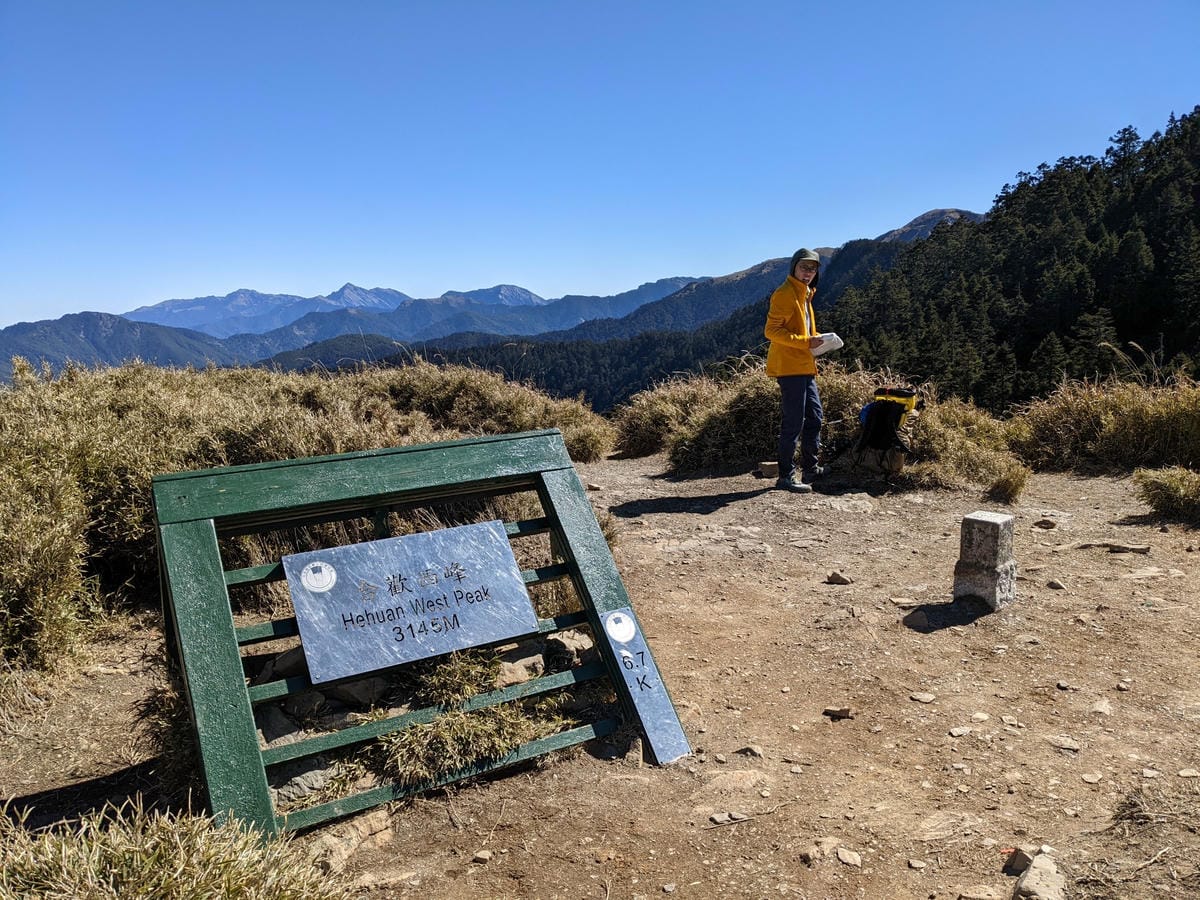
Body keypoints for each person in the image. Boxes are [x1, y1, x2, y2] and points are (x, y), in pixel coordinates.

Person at [764, 248, 827, 493]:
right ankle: (785, 476)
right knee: (793, 422)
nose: (808, 272)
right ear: (794, 268)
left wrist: (815, 339)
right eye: (804, 267)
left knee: (814, 417)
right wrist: (805, 342)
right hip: (790, 367)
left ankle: (811, 468)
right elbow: (771, 331)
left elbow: (801, 330)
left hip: (804, 365)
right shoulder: (785, 294)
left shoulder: (804, 294)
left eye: (813, 268)